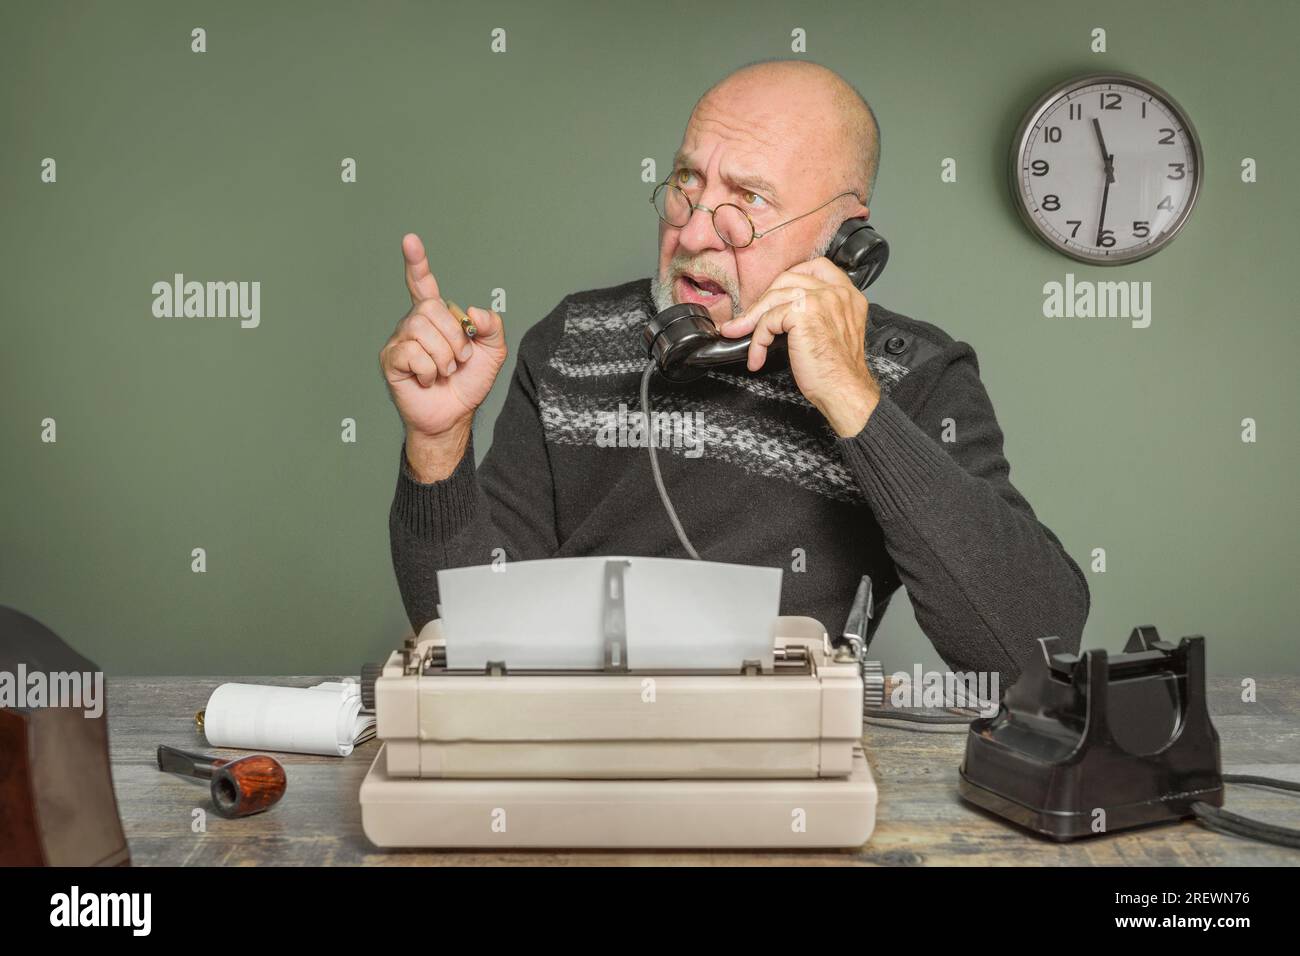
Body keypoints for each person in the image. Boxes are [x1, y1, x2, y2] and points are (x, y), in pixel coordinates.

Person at [378, 59, 1088, 681]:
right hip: (571, 746)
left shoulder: (915, 374)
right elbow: (467, 634)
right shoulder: (570, 341)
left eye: (747, 200)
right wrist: (438, 449)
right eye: (688, 182)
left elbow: (1031, 648)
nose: (690, 232)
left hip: (784, 766)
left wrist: (850, 397)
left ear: (845, 240)